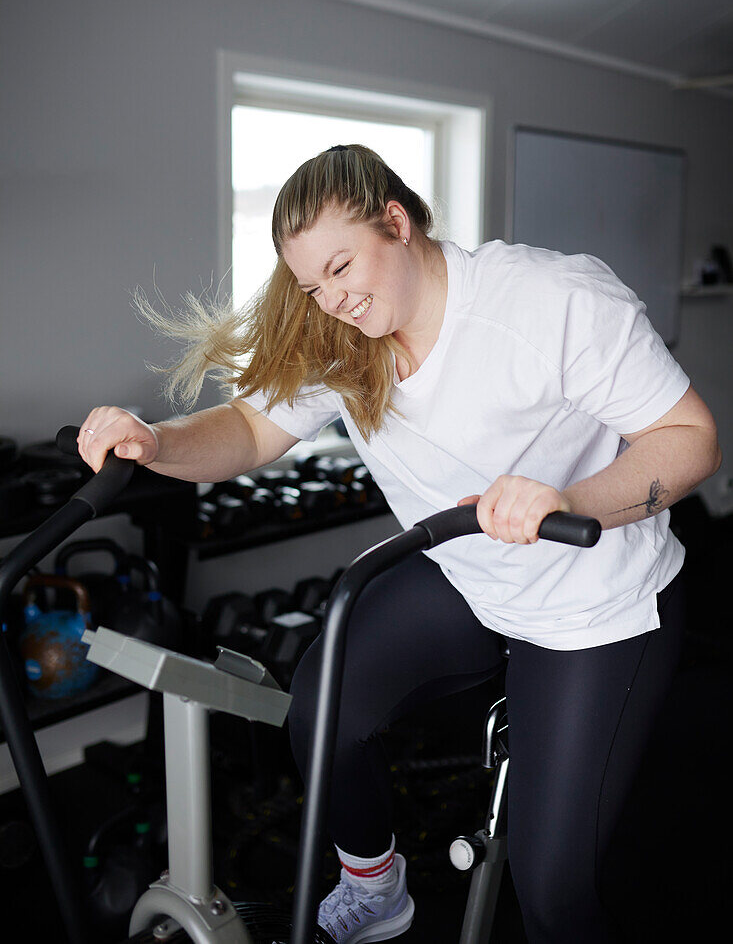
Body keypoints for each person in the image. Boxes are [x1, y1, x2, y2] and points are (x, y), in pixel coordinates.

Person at [77, 144, 721, 944]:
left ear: (397, 220)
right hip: (465, 569)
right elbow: (248, 428)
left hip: (594, 602)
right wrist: (155, 440)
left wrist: (568, 498)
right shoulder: (338, 334)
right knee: (322, 705)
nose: (334, 299)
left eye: (343, 267)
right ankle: (375, 888)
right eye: (313, 285)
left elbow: (688, 438)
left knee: (552, 893)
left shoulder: (550, 300)